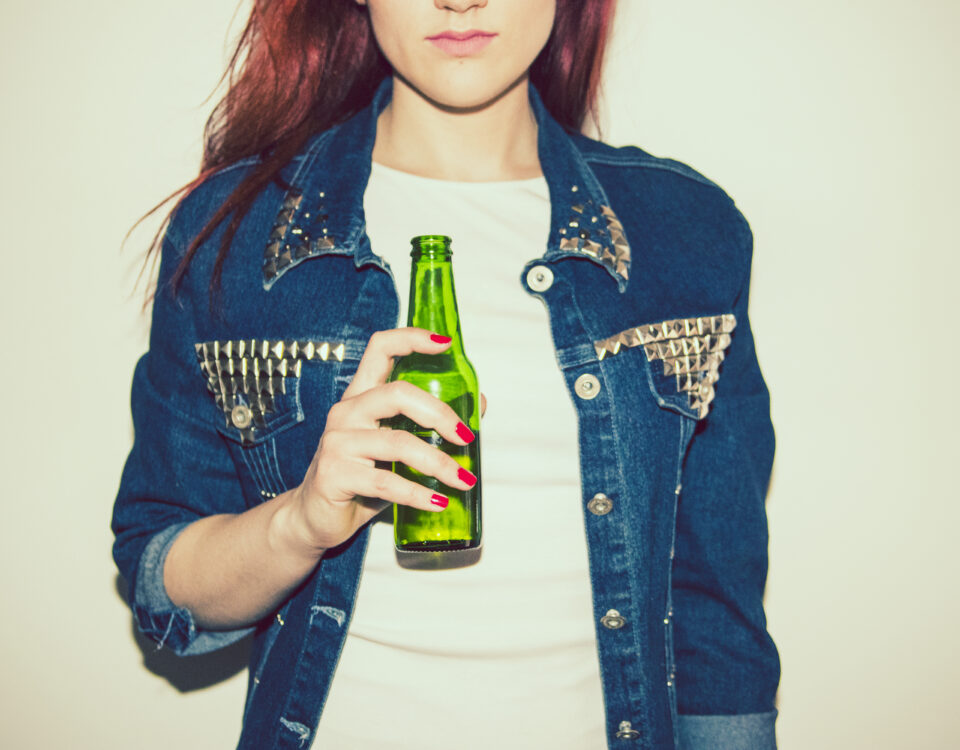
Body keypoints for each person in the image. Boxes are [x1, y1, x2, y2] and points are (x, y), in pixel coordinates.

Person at [111, 1, 780, 748]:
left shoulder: (686, 229)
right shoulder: (236, 231)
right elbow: (160, 577)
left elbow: (717, 612)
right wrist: (299, 522)